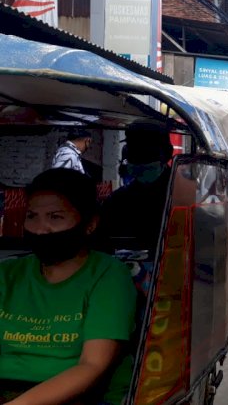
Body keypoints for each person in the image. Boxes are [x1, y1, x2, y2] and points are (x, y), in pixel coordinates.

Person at [0, 168, 137, 404]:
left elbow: (92, 365)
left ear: (89, 224)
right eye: (32, 216)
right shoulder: (9, 274)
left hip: (72, 395)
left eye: (55, 217)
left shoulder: (108, 275)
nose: (40, 229)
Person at [96, 122, 174, 253]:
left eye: (148, 156)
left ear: (165, 156)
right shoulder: (117, 201)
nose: (140, 162)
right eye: (134, 156)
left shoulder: (180, 198)